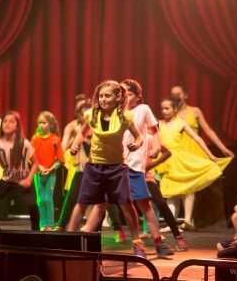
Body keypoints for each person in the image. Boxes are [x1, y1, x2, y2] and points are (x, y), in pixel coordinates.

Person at [66, 80, 145, 256]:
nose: (103, 99)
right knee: (82, 202)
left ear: (118, 97)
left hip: (116, 167)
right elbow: (82, 133)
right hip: (94, 166)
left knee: (126, 204)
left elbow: (139, 137)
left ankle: (137, 243)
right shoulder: (91, 115)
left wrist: (137, 144)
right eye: (101, 96)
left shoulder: (125, 117)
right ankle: (69, 241)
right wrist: (75, 144)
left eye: (107, 96)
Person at [120, 79, 174, 257]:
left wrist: (157, 147)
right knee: (123, 205)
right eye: (123, 94)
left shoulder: (143, 109)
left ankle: (158, 242)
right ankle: (137, 244)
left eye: (129, 94)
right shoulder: (116, 112)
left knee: (145, 205)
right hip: (117, 164)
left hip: (135, 165)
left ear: (138, 97)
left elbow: (154, 130)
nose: (126, 97)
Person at [153, 98, 222, 230]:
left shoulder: (180, 123)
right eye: (162, 109)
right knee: (171, 193)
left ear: (175, 109)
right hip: (165, 161)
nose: (164, 111)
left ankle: (188, 220)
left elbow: (197, 138)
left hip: (179, 160)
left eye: (167, 108)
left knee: (187, 189)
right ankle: (172, 223)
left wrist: (210, 155)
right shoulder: (159, 124)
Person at [0, 111, 38, 231]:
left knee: (33, 206)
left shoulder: (24, 143)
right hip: (7, 180)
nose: (7, 124)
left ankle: (36, 232)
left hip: (22, 180)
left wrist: (29, 179)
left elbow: (35, 163)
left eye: (11, 122)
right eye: (5, 121)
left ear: (17, 126)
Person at [169, 85, 235, 160]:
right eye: (173, 95)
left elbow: (209, 131)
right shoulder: (170, 114)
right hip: (178, 153)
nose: (175, 97)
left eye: (178, 94)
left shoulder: (195, 111)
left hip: (194, 151)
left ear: (185, 95)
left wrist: (223, 148)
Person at [58, 96, 91, 229]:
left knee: (104, 200)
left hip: (95, 167)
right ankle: (62, 225)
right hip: (79, 166)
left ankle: (115, 228)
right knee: (72, 196)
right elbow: (63, 146)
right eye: (83, 114)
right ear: (78, 113)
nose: (86, 117)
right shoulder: (72, 126)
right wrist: (74, 141)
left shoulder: (96, 126)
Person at [30, 111, 64, 230]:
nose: (41, 125)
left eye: (44, 123)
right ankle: (42, 224)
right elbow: (31, 157)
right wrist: (39, 167)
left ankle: (49, 224)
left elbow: (60, 160)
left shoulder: (55, 139)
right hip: (38, 173)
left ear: (50, 124)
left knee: (48, 199)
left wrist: (50, 169)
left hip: (51, 174)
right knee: (40, 199)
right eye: (39, 123)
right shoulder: (35, 139)